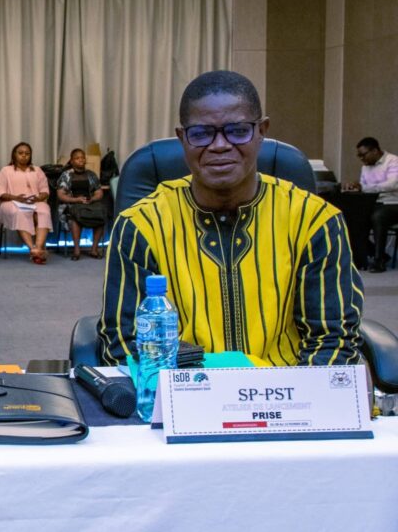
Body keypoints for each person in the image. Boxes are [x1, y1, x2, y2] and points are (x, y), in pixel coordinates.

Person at [99, 70, 362, 367]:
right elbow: (125, 342)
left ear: (262, 131)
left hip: (287, 389)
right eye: (201, 133)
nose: (220, 145)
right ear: (182, 138)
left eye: (237, 131)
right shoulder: (142, 224)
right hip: (181, 390)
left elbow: (332, 339)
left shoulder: (314, 220)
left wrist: (286, 394)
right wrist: (207, 383)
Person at [343, 137, 398, 273]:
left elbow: (393, 184)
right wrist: (355, 188)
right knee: (350, 218)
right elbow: (363, 186)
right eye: (359, 156)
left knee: (378, 216)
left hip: (392, 203)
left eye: (363, 155)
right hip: (372, 203)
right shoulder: (365, 167)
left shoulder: (393, 161)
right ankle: (367, 256)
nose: (361, 159)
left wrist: (365, 188)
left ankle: (379, 261)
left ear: (375, 151)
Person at [0, 142, 52, 264]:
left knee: (44, 211)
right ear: (14, 155)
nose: (24, 156)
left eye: (27, 153)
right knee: (20, 212)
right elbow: (1, 193)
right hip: (11, 202)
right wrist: (16, 198)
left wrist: (37, 198)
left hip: (34, 201)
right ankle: (33, 249)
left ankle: (37, 248)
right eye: (20, 153)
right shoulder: (6, 170)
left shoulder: (37, 170)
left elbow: (45, 191)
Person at [56, 148, 106, 261]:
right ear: (71, 161)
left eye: (83, 157)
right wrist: (76, 200)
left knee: (100, 215)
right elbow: (61, 195)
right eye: (77, 158)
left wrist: (92, 199)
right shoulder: (66, 175)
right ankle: (77, 250)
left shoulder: (91, 175)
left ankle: (94, 249)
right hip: (72, 203)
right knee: (75, 216)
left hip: (89, 203)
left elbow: (99, 192)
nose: (81, 160)